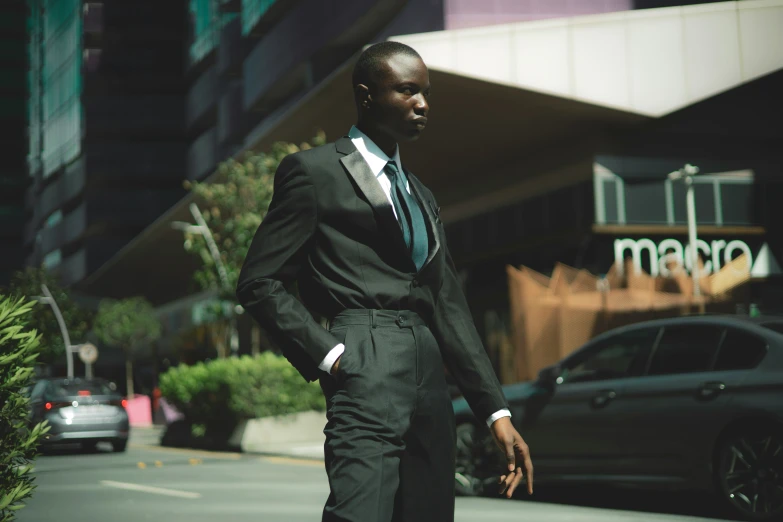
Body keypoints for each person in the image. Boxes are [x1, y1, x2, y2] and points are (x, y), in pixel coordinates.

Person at [236, 41, 533, 522]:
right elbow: (258, 281)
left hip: (428, 374)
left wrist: (496, 413)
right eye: (407, 90)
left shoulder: (421, 194)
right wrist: (331, 356)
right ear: (367, 95)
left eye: (426, 93)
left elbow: (448, 306)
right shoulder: (314, 173)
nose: (422, 104)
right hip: (362, 358)